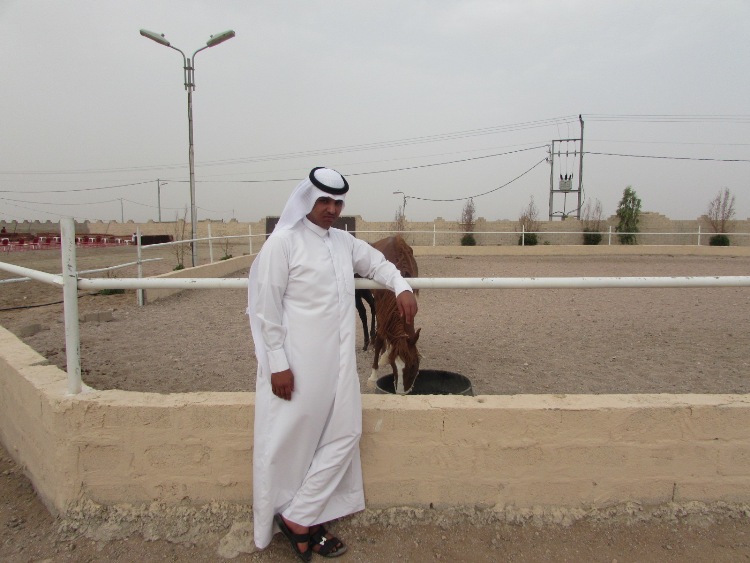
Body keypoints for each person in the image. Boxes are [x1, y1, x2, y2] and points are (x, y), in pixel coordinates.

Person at [247, 167, 418, 560]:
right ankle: (299, 520)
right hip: (297, 366)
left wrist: (401, 285)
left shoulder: (343, 243)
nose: (331, 209)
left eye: (338, 203)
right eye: (324, 200)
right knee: (294, 443)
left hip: (339, 367)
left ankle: (298, 516)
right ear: (307, 199)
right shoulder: (283, 244)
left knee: (345, 435)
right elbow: (265, 310)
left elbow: (378, 264)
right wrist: (277, 363)